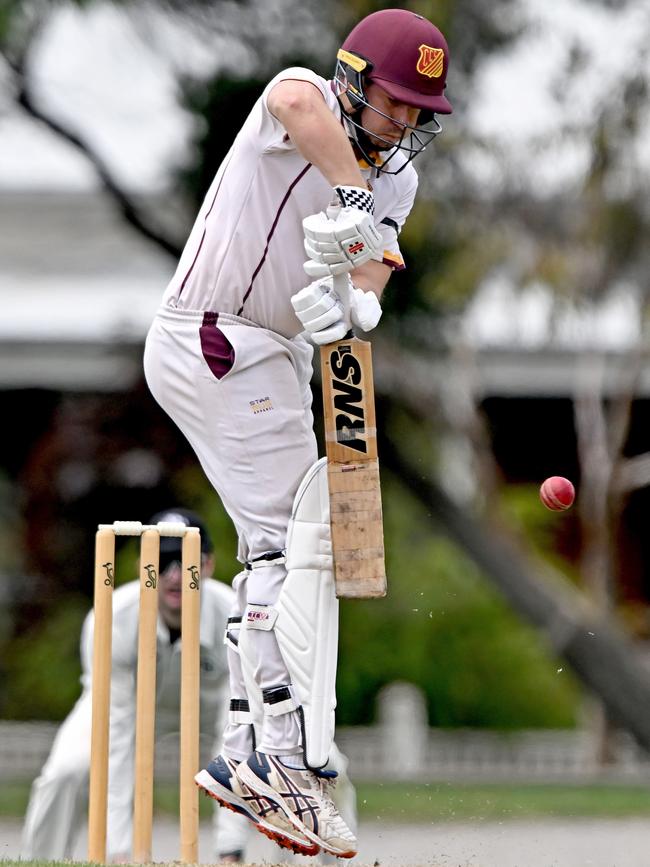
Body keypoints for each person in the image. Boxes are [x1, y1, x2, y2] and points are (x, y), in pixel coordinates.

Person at [143, 8, 452, 860]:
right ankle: (283, 760)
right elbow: (293, 104)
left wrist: (354, 306)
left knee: (275, 550)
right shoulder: (304, 100)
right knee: (293, 542)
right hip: (215, 335)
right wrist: (350, 188)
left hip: (270, 353)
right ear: (354, 83)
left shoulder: (399, 182)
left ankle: (248, 752)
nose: (410, 125)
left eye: (422, 111)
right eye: (398, 105)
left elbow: (372, 267)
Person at [20, 508, 252, 862]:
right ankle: (39, 861)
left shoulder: (236, 616)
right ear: (143, 567)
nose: (175, 576)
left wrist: (229, 849)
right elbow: (118, 732)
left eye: (186, 563)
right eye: (163, 563)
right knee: (66, 771)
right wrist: (122, 852)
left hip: (209, 711)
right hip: (121, 706)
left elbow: (233, 725)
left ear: (207, 565)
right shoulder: (113, 617)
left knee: (324, 762)